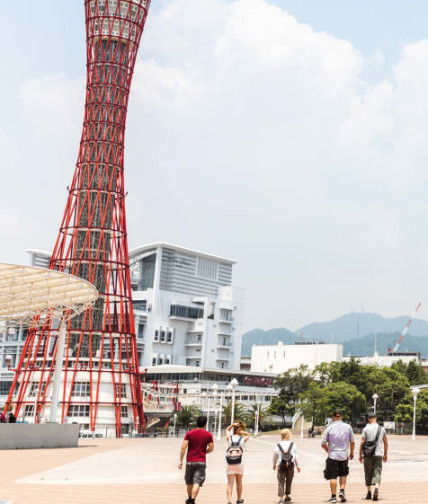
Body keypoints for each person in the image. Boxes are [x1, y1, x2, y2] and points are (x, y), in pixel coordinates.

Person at [178, 415, 214, 504]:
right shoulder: (208, 435)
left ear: (196, 423)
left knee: (189, 481)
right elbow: (211, 448)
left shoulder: (189, 434)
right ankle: (192, 500)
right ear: (205, 424)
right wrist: (204, 452)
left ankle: (189, 498)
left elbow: (183, 447)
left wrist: (180, 461)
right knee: (197, 482)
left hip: (190, 461)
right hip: (201, 461)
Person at [321, 410, 355, 503]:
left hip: (333, 455)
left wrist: (327, 449)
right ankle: (342, 490)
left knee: (333, 476)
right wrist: (352, 452)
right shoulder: (348, 427)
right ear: (341, 416)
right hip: (344, 455)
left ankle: (333, 497)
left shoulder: (329, 428)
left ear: (333, 417)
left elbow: (323, 443)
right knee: (343, 474)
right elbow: (352, 441)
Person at [359, 413, 388, 501]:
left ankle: (368, 493)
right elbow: (386, 443)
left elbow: (362, 442)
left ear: (368, 419)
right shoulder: (382, 429)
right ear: (376, 418)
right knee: (377, 471)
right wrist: (385, 454)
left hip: (368, 454)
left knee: (368, 472)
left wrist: (360, 454)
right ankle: (376, 487)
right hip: (378, 454)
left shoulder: (366, 429)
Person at [225, 421, 251, 504]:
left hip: (230, 463)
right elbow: (248, 434)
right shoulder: (242, 439)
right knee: (239, 482)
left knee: (230, 483)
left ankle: (229, 501)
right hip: (239, 464)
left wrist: (232, 425)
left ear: (234, 430)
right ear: (240, 430)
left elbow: (227, 430)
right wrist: (241, 431)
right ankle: (239, 499)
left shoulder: (230, 438)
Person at [273, 428, 301, 503]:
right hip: (291, 466)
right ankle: (287, 496)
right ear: (289, 435)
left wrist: (274, 464)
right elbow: (295, 456)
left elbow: (275, 456)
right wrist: (298, 465)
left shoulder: (278, 445)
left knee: (281, 481)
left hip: (281, 465)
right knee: (289, 481)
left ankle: (281, 499)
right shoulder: (293, 444)